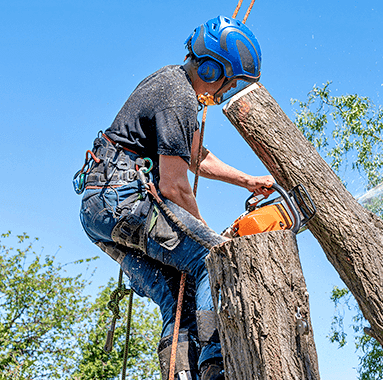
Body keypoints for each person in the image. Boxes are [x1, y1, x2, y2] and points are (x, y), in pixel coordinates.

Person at [75, 15, 274, 380]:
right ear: (213, 70)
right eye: (228, 82)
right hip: (124, 199)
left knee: (175, 294)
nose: (222, 93)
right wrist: (208, 237)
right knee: (214, 260)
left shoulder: (171, 84)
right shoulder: (178, 96)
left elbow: (195, 154)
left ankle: (183, 374)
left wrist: (246, 180)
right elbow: (174, 187)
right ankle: (217, 367)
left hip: (99, 207)